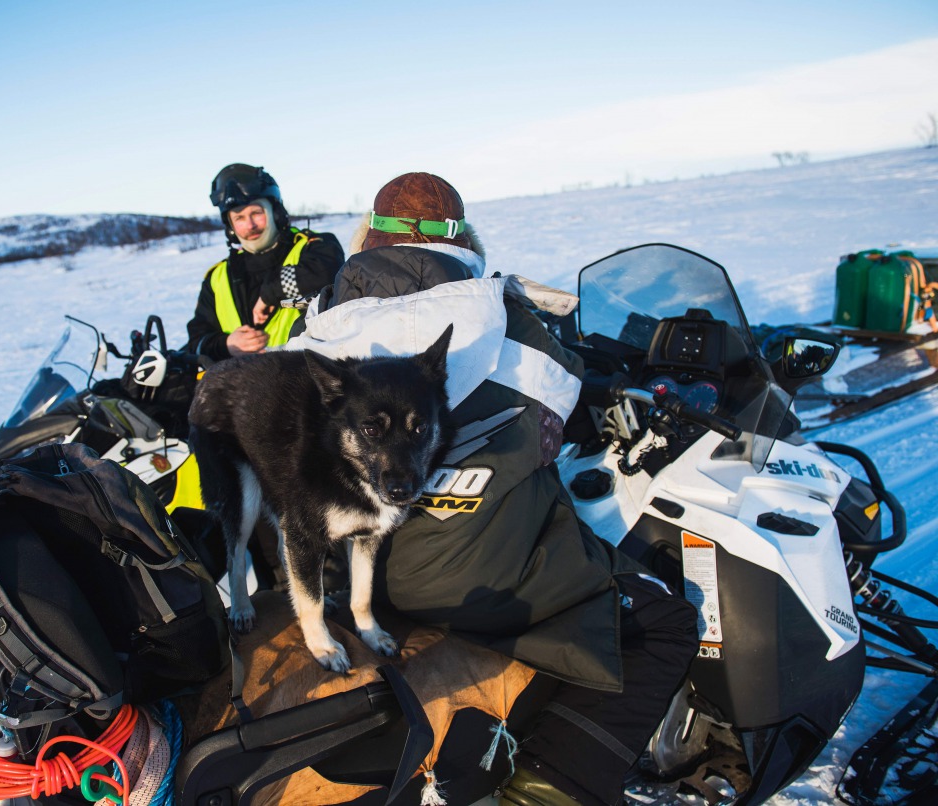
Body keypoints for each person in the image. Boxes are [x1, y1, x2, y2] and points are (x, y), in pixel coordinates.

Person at [286, 172, 700, 806]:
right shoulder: (506, 320)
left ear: (365, 241)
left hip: (342, 573)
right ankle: (556, 786)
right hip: (469, 581)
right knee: (664, 621)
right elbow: (562, 415)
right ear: (465, 243)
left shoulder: (313, 330)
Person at [184, 164, 344, 362]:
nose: (250, 225)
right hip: (238, 387)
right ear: (230, 227)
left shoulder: (314, 246)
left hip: (304, 379)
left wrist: (271, 292)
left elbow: (325, 274)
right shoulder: (217, 277)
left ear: (275, 212)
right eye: (239, 218)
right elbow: (196, 341)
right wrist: (226, 344)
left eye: (256, 213)